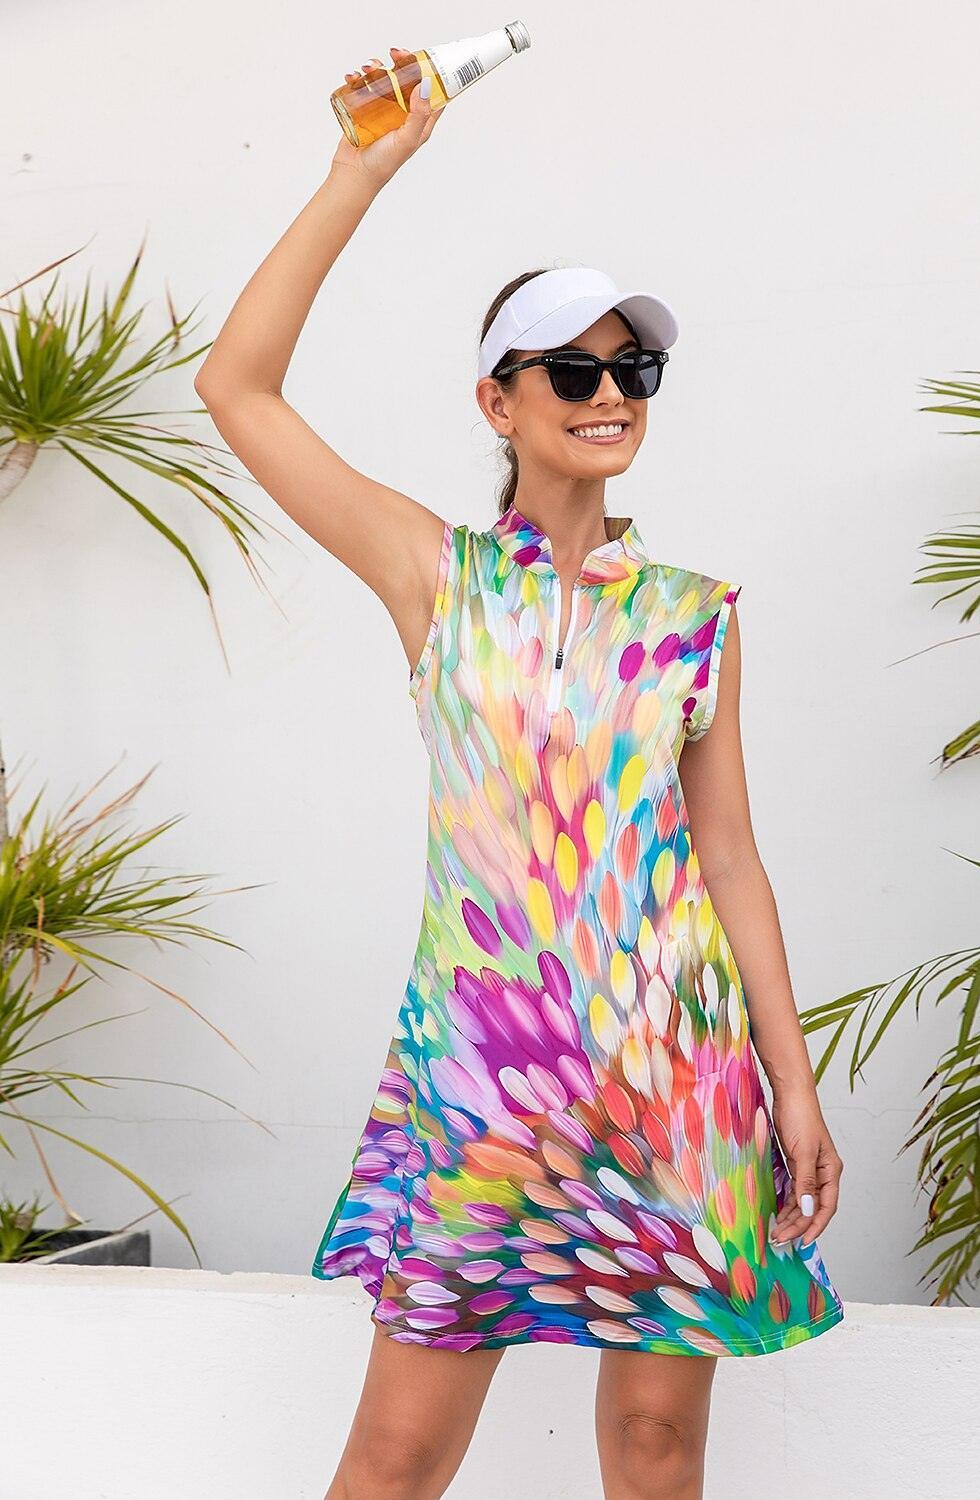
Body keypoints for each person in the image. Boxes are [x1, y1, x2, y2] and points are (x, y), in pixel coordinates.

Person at [195, 54, 845, 1500]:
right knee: (396, 1455)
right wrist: (361, 171)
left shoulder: (694, 616)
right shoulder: (437, 578)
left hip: (675, 1076)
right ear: (498, 400)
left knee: (656, 1447)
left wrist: (789, 1089)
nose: (609, 395)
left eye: (634, 371)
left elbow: (727, 857)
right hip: (485, 1082)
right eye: (573, 370)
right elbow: (234, 389)